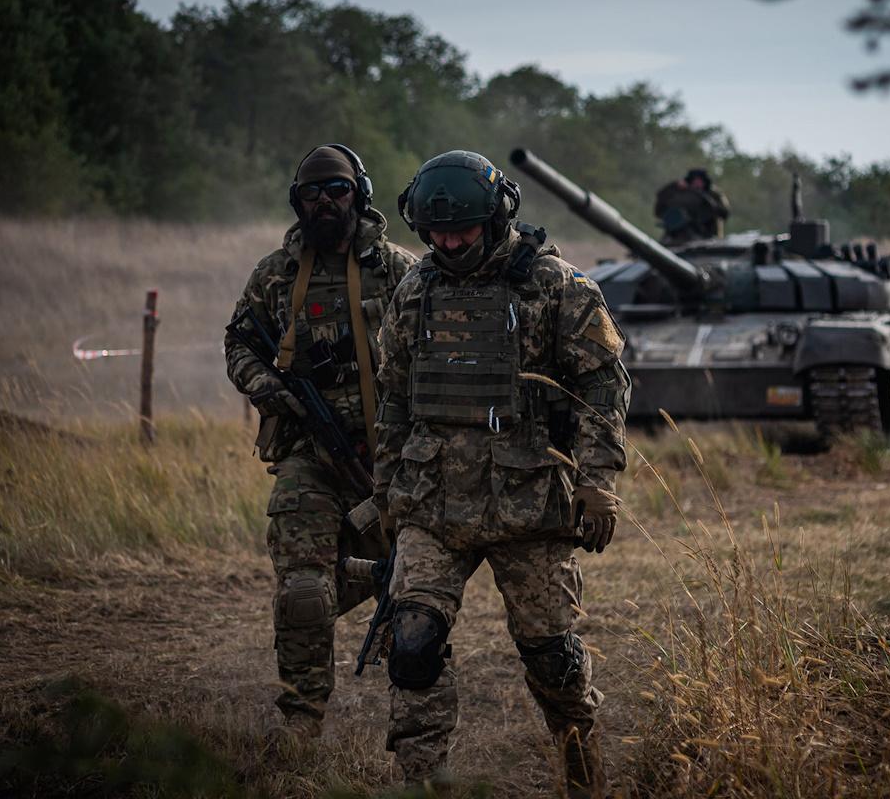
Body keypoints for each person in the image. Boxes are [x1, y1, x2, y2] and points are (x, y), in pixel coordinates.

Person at [372, 150, 629, 796]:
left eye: (462, 230)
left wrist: (598, 482)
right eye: (436, 233)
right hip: (433, 504)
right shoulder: (416, 289)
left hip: (532, 503)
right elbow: (395, 397)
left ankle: (582, 779)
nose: (449, 243)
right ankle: (422, 783)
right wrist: (387, 492)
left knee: (554, 661)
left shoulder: (557, 285)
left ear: (497, 217)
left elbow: (603, 386)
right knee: (411, 644)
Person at [224, 144, 417, 740]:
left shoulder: (402, 270)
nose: (325, 202)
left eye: (336, 190)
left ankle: (417, 723)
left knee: (411, 585)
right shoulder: (274, 276)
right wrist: (266, 388)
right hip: (310, 454)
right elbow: (239, 345)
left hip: (390, 458)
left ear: (359, 193)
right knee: (303, 590)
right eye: (313, 192)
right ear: (297, 200)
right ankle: (301, 722)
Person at [653, 167, 731, 243]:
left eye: (700, 181)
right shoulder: (681, 193)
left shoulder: (713, 194)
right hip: (680, 234)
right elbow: (659, 209)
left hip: (707, 234)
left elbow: (725, 213)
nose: (697, 183)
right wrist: (674, 186)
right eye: (694, 180)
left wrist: (709, 203)